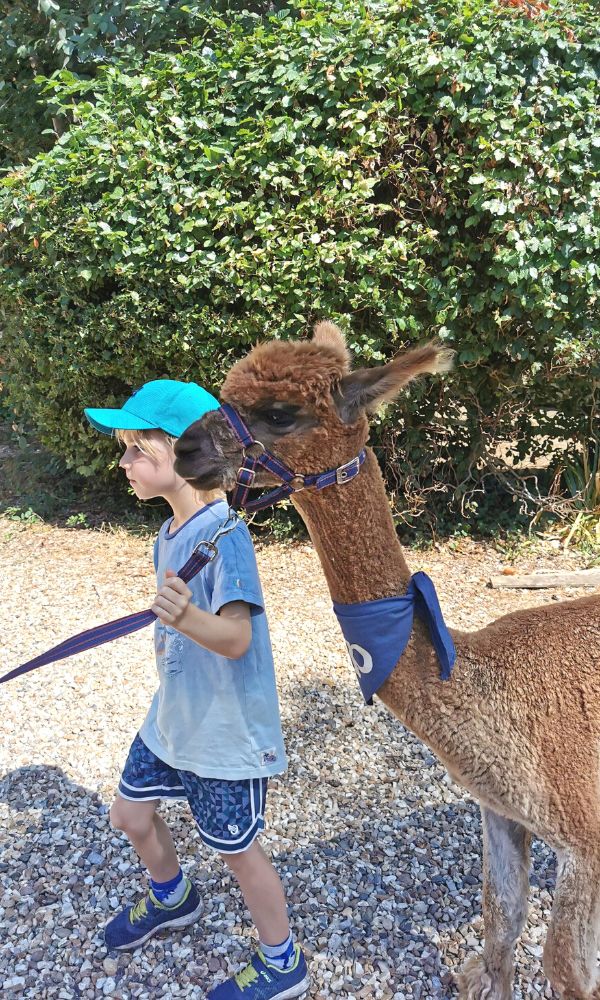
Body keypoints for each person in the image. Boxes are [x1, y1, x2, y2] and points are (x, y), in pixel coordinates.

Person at [84, 379, 309, 999]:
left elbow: (237, 638)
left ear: (180, 456)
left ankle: (282, 961)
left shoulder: (226, 537)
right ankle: (173, 897)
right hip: (174, 717)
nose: (124, 463)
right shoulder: (171, 533)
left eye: (135, 449)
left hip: (223, 732)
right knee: (129, 814)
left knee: (238, 852)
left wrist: (183, 618)